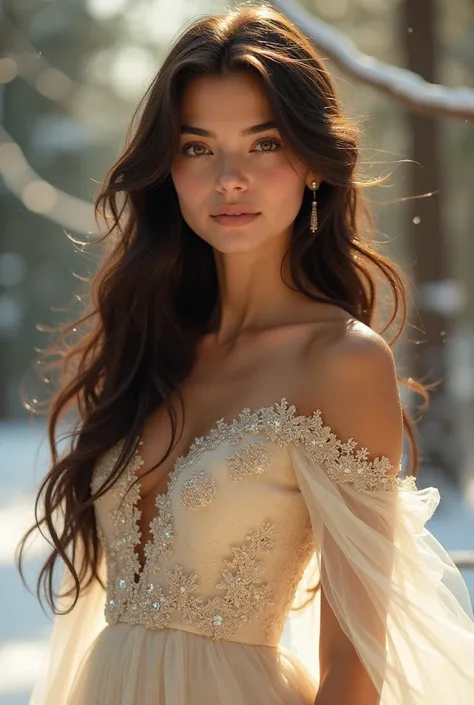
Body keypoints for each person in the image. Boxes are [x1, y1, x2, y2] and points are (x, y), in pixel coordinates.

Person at [17, 2, 474, 704]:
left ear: (314, 163)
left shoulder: (341, 362)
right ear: (169, 168)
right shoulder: (152, 345)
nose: (229, 177)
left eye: (264, 144)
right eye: (198, 146)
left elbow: (356, 664)